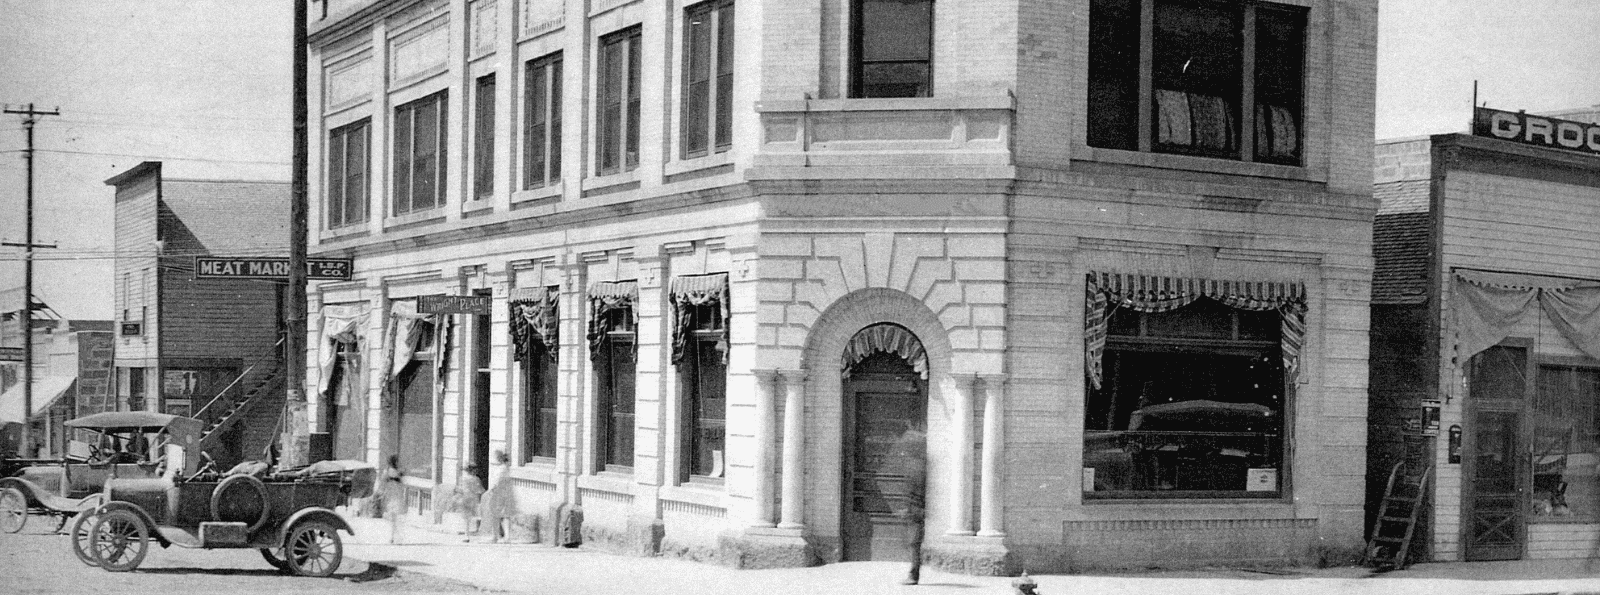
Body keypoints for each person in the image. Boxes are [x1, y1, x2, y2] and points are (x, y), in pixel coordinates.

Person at [888, 421, 928, 586]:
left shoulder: (915, 464)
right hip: (916, 507)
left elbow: (915, 488)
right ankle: (913, 572)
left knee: (913, 542)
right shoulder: (917, 463)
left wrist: (909, 507)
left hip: (915, 508)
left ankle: (913, 575)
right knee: (913, 542)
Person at [481, 450, 513, 543]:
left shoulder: (501, 469)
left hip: (499, 493)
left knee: (497, 515)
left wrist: (492, 490)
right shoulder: (505, 468)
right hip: (503, 493)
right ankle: (501, 536)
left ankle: (498, 536)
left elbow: (498, 482)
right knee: (502, 515)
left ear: (499, 458)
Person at [457, 464, 486, 541]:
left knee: (466, 518)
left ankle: (467, 536)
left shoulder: (463, 478)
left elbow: (460, 489)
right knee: (477, 516)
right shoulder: (476, 479)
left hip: (465, 498)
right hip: (473, 499)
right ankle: (480, 532)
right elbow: (480, 490)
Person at [383, 455, 405, 544]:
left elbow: (383, 483)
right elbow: (401, 482)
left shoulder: (387, 472)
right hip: (395, 496)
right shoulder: (396, 472)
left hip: (391, 496)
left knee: (393, 519)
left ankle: (392, 537)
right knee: (396, 519)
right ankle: (395, 538)